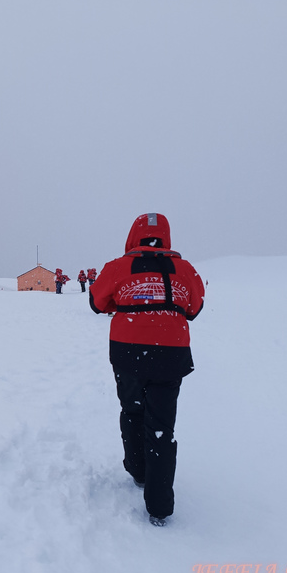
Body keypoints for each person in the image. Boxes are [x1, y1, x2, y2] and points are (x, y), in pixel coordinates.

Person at [89, 213, 205, 527]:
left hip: (128, 352)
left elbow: (98, 303)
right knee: (162, 427)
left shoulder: (117, 267)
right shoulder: (185, 269)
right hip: (171, 354)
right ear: (166, 237)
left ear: (133, 236)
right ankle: (159, 507)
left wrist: (127, 300)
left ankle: (139, 472)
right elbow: (194, 308)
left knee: (132, 411)